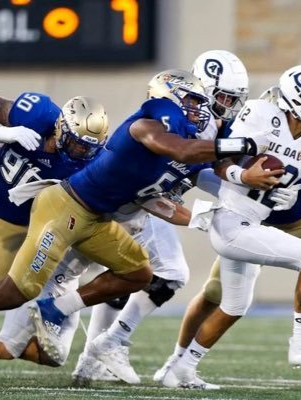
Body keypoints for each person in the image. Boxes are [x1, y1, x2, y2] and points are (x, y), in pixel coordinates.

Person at [0, 69, 278, 364]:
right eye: (190, 100)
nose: (197, 108)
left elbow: (155, 197)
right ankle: (46, 311)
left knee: (139, 273)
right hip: (65, 209)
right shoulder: (146, 125)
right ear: (168, 98)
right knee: (16, 292)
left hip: (92, 219)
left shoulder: (173, 143)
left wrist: (211, 214)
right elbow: (186, 150)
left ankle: (56, 308)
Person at [159, 64, 301, 389]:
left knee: (235, 305)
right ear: (298, 100)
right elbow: (221, 161)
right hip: (231, 220)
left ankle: (182, 370)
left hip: (251, 222)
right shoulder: (261, 114)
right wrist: (245, 177)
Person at [70, 50, 253, 385]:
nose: (230, 105)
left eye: (235, 98)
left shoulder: (204, 121)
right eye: (225, 97)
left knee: (125, 275)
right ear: (203, 91)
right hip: (138, 197)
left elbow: (199, 172)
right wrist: (237, 188)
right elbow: (189, 163)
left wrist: (239, 189)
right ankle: (109, 341)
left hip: (140, 199)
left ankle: (90, 359)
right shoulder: (187, 121)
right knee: (169, 273)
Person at [0, 92, 108, 365]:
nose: (81, 152)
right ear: (62, 127)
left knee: (52, 354)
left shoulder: (91, 168)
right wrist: (1, 133)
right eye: (77, 144)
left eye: (89, 147)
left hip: (15, 235)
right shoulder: (38, 114)